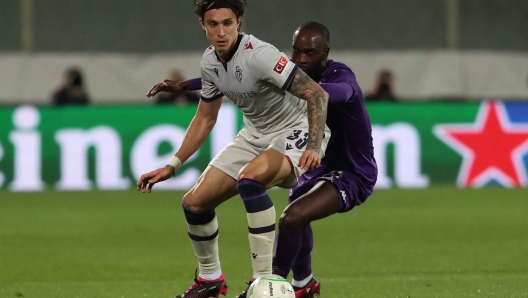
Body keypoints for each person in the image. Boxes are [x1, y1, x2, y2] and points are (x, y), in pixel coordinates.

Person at [163, 21, 378, 298]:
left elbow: (341, 93)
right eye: (296, 51)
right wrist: (186, 85)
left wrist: (307, 90)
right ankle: (304, 283)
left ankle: (267, 286)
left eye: (309, 53)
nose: (300, 59)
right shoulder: (293, 70)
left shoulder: (341, 75)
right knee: (297, 214)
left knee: (292, 218)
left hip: (352, 172)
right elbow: (239, 80)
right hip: (317, 163)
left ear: (325, 52)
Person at [137, 1, 330, 298]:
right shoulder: (210, 63)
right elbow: (205, 118)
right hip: (255, 136)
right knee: (194, 203)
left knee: (250, 180)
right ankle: (210, 279)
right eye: (213, 24)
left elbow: (317, 94)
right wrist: (172, 165)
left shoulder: (260, 56)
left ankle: (263, 281)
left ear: (239, 21)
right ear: (202, 25)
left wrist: (314, 145)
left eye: (227, 23)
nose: (221, 31)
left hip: (296, 132)